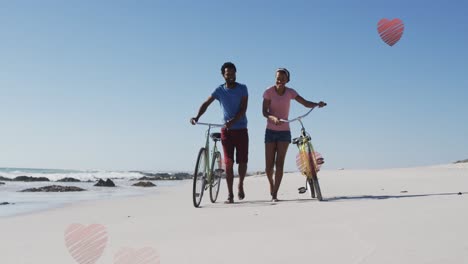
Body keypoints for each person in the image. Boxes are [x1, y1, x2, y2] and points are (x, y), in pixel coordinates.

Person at [262, 68, 326, 202]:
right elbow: (264, 112)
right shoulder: (269, 92)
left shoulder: (290, 92)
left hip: (284, 132)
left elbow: (304, 102)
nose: (280, 81)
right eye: (278, 78)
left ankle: (275, 194)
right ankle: (271, 184)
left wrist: (316, 104)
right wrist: (273, 118)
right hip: (270, 131)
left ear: (287, 80)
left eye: (283, 79)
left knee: (279, 164)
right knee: (269, 167)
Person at [191, 62, 249, 204]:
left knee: (242, 161)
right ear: (223, 75)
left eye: (232, 73)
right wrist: (197, 117)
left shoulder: (243, 89)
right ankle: (230, 195)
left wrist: (233, 121)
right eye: (227, 74)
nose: (230, 76)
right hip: (226, 131)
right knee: (228, 163)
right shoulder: (219, 90)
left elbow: (243, 110)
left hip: (241, 129)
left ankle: (240, 183)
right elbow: (206, 104)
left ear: (236, 73)